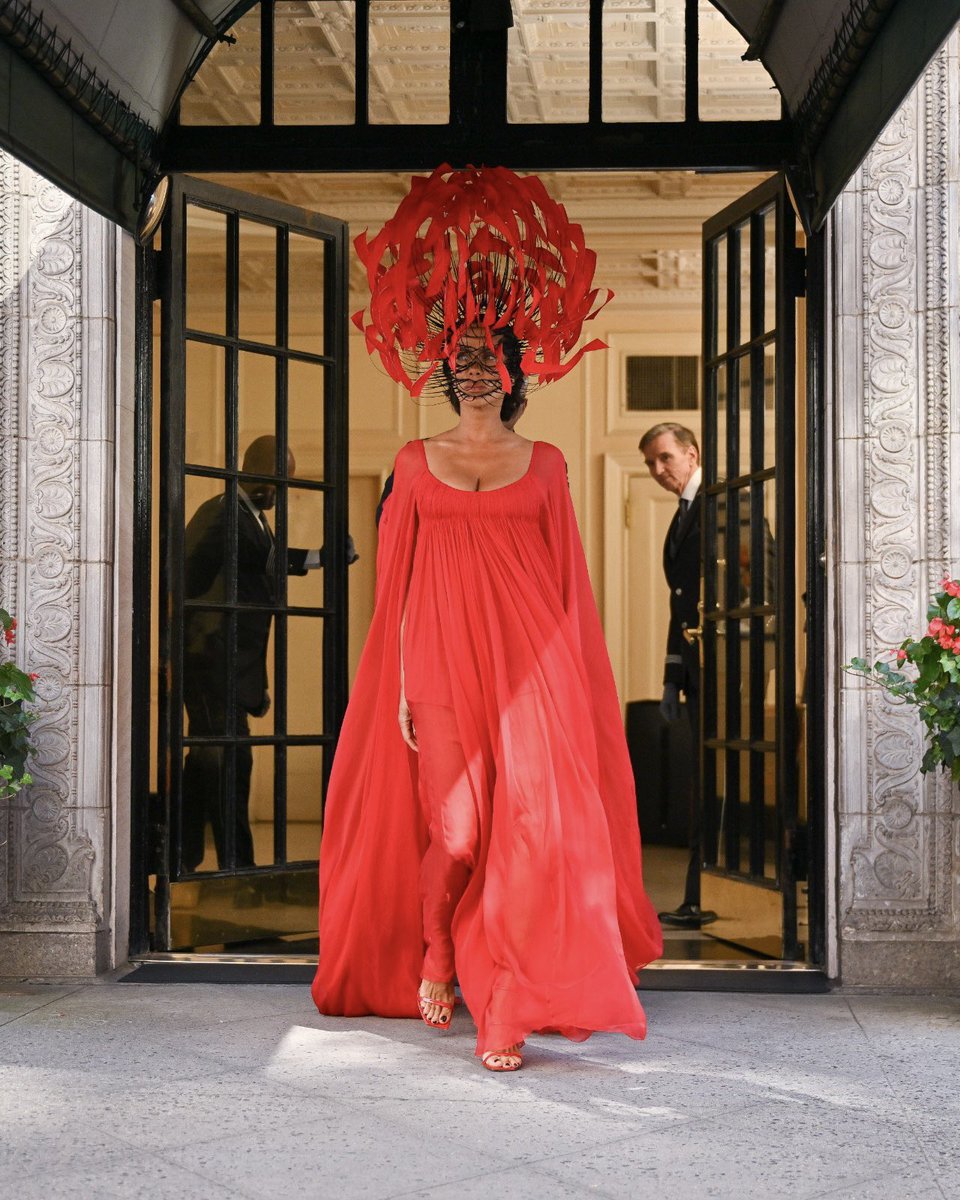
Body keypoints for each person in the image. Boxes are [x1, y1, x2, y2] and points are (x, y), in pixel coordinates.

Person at [181, 435, 356, 872]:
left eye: (285, 483)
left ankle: (182, 860)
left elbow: (267, 558)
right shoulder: (224, 514)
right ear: (253, 470)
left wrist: (320, 557)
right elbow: (181, 579)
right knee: (229, 765)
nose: (278, 490)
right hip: (210, 665)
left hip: (226, 666)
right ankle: (237, 874)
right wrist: (177, 651)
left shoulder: (248, 515)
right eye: (275, 480)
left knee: (208, 766)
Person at [640, 422, 717, 930]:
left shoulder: (723, 502)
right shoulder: (683, 514)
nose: (658, 470)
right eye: (650, 463)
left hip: (724, 668)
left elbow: (761, 579)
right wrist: (672, 677)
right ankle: (695, 896)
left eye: (665, 458)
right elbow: (681, 605)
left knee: (713, 779)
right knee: (700, 778)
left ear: (691, 453)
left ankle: (708, 895)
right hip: (695, 667)